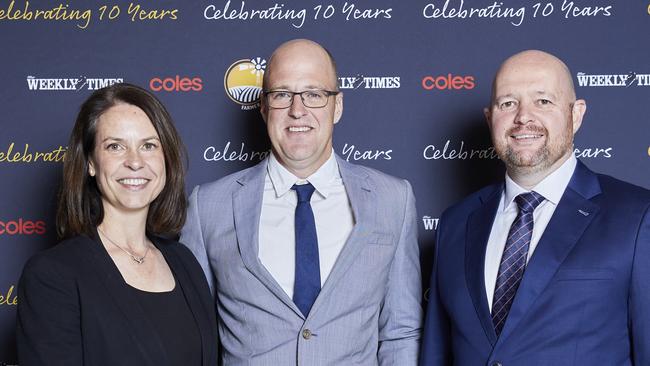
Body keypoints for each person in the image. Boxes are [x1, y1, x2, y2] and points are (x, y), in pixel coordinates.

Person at [181, 38, 422, 365]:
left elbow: (400, 330)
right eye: (282, 95)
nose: (298, 110)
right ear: (263, 107)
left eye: (314, 94)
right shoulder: (208, 206)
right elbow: (193, 336)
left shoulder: (393, 199)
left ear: (337, 106)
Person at [420, 50, 650, 365]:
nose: (523, 117)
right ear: (490, 118)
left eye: (543, 101)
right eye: (508, 103)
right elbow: (436, 354)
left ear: (576, 114)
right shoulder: (456, 223)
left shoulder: (637, 217)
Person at [16, 83, 218, 366]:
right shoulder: (53, 275)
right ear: (90, 162)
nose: (135, 162)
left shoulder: (184, 261)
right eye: (115, 146)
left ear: (165, 159)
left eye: (148, 145)